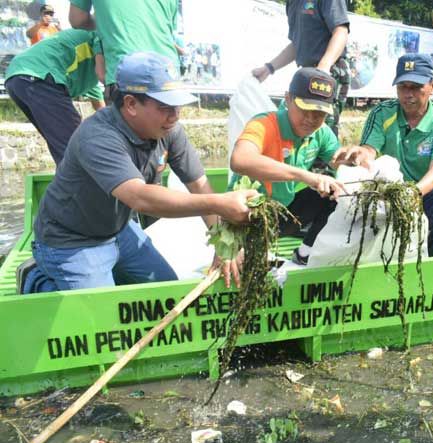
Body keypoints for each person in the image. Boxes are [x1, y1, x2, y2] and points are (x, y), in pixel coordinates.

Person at [23, 52, 257, 294]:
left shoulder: (168, 129)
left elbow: (198, 184)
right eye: (165, 107)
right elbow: (140, 198)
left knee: (164, 292)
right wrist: (220, 203)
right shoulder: (97, 137)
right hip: (71, 240)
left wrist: (223, 244)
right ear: (131, 104)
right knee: (104, 321)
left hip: (118, 229)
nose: (174, 116)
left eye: (177, 106)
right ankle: (37, 280)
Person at [335, 53, 433, 257]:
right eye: (402, 87)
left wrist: (412, 194)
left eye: (415, 87)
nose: (408, 94)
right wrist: (357, 154)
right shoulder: (382, 113)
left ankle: (429, 259)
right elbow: (370, 150)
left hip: (421, 194)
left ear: (432, 86)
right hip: (383, 195)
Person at [229, 67, 350, 269]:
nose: (311, 119)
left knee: (335, 194)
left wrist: (353, 157)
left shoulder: (322, 132)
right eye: (305, 109)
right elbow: (240, 160)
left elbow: (339, 161)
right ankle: (249, 248)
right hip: (246, 217)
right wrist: (305, 176)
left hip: (283, 214)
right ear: (288, 99)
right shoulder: (264, 124)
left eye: (319, 113)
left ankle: (305, 253)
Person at [5, 29, 105, 165]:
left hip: (16, 77)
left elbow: (100, 107)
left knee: (61, 143)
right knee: (75, 145)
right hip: (38, 74)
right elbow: (104, 75)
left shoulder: (88, 72)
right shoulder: (100, 38)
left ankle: (66, 180)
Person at [251, 0, 351, 136]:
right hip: (307, 73)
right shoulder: (292, 3)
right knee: (297, 127)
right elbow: (296, 44)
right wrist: (269, 68)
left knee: (320, 131)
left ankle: (326, 157)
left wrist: (323, 68)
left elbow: (341, 31)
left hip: (329, 69)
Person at [69, 0, 179, 103]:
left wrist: (104, 20)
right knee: (168, 120)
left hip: (126, 69)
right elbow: (169, 29)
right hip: (168, 71)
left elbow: (78, 19)